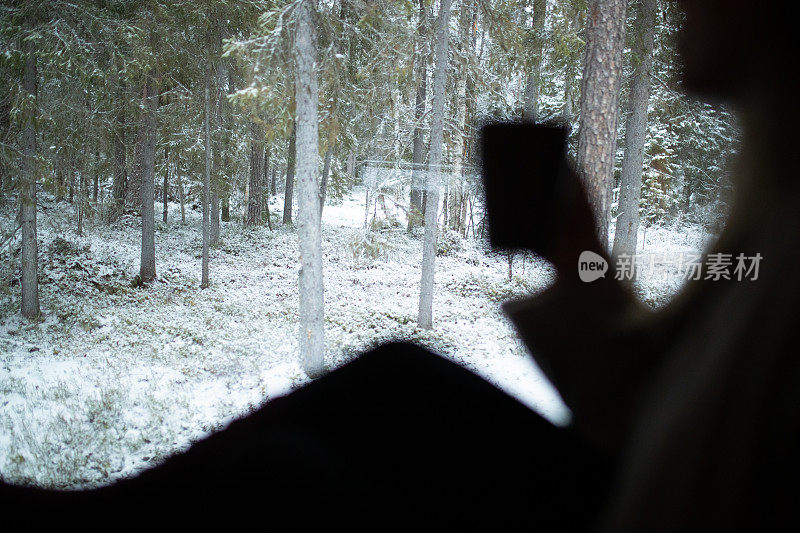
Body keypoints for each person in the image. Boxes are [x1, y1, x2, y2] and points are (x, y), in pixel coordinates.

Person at [2, 0, 797, 529]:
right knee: (391, 384)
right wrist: (583, 266)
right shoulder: (772, 219)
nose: (676, 10)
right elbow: (671, 423)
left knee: (286, 472)